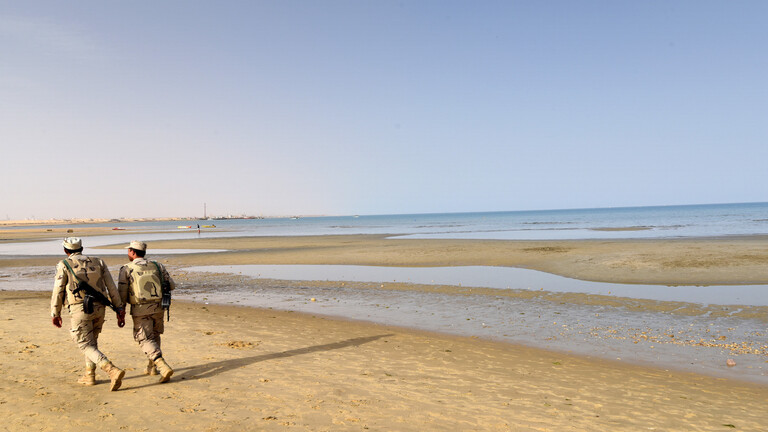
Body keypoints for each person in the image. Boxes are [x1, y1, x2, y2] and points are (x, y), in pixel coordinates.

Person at [51, 237, 126, 391]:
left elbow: (58, 289)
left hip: (80, 308)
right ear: (81, 248)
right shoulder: (98, 261)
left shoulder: (64, 264)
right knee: (91, 342)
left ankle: (112, 370)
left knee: (84, 343)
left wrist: (55, 312)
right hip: (100, 307)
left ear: (66, 251)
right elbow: (111, 286)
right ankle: (89, 375)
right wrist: (119, 308)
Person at [118, 240, 175, 383]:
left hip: (140, 309)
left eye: (128, 251)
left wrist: (121, 311)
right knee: (155, 336)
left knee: (144, 338)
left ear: (132, 252)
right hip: (159, 307)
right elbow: (172, 285)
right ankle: (152, 367)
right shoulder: (158, 266)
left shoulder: (126, 268)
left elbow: (122, 294)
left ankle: (162, 365)